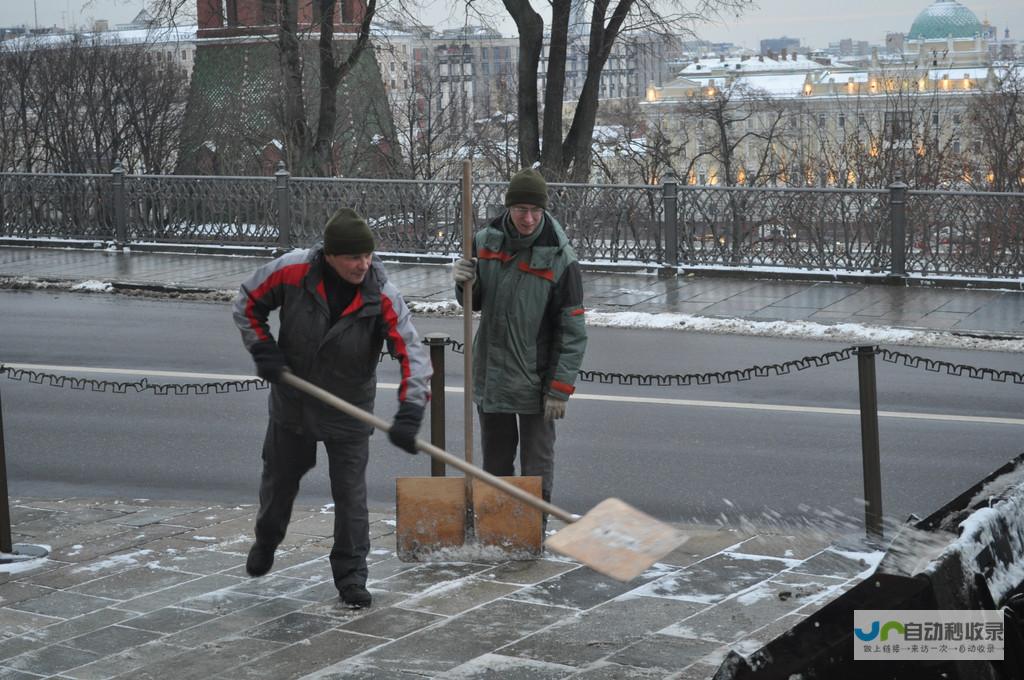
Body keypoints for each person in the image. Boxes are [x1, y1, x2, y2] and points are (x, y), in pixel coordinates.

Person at [232, 207, 430, 608]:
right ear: (330, 256)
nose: (363, 264)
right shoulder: (292, 271)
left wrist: (410, 411)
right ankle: (267, 540)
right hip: (294, 402)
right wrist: (263, 348)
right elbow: (247, 302)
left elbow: (412, 351)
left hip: (349, 407)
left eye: (368, 255)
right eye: (353, 257)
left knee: (351, 496)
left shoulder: (381, 294)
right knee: (279, 484)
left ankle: (352, 575)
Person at [452, 167, 587, 525]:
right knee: (495, 461)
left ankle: (531, 529)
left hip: (536, 378)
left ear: (544, 212)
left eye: (535, 211)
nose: (528, 219)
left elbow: (572, 329)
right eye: (520, 210)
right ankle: (498, 526)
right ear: (508, 208)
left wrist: (559, 388)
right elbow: (475, 303)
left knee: (536, 463)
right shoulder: (484, 241)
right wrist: (463, 282)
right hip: (492, 372)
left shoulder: (560, 257)